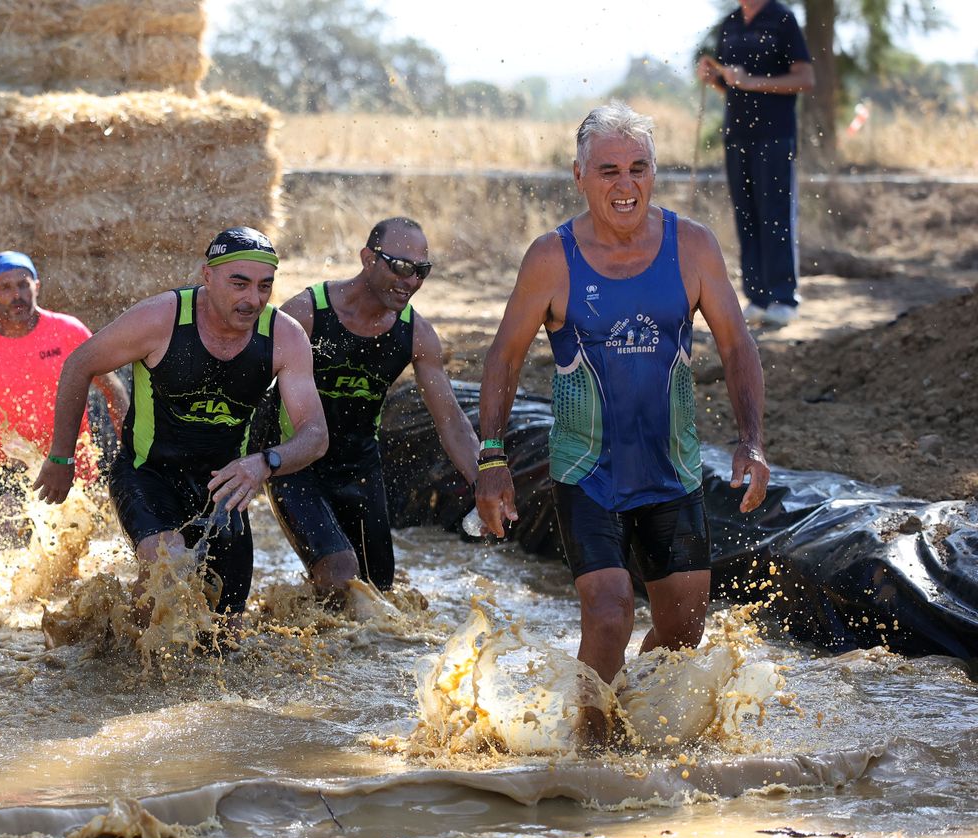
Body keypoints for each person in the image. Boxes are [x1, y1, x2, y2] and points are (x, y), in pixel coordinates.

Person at [474, 102, 771, 698]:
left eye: (639, 168)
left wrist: (752, 441)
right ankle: (592, 740)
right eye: (608, 170)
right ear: (579, 175)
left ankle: (628, 705)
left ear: (654, 172)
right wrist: (492, 458)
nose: (625, 185)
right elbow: (504, 358)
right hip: (588, 474)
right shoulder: (551, 258)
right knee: (610, 615)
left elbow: (737, 345)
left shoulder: (693, 246)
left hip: (673, 471)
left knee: (683, 633)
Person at [34, 227, 328, 636]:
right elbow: (79, 364)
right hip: (148, 473)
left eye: (264, 286)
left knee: (225, 635)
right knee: (169, 566)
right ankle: (118, 650)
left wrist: (265, 462)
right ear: (208, 276)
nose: (252, 299)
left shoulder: (283, 336)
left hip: (224, 488)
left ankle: (127, 638)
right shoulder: (162, 319)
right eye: (239, 283)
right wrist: (61, 457)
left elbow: (315, 435)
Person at [268, 217, 479, 606]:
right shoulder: (306, 313)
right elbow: (248, 390)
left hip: (359, 468)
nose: (410, 281)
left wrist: (485, 482)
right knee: (340, 575)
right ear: (368, 258)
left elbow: (451, 421)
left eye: (421, 271)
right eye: (400, 267)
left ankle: (307, 626)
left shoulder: (417, 334)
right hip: (296, 464)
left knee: (379, 596)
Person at [0, 251, 128, 540]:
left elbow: (113, 389)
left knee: (79, 541)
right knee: (6, 534)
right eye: (6, 288)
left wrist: (133, 451)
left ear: (37, 286)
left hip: (72, 465)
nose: (16, 295)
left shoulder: (68, 331)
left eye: (23, 284)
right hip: (11, 469)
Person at [696, 0, 814, 328]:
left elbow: (805, 78)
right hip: (737, 134)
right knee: (745, 215)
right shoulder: (730, 23)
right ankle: (758, 297)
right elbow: (731, 83)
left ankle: (783, 298)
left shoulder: (782, 19)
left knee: (775, 213)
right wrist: (714, 77)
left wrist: (753, 81)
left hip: (775, 135)